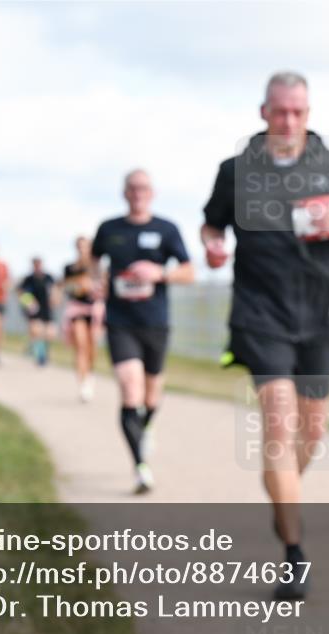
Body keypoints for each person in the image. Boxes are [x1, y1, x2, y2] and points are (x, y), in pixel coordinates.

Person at [202, 71, 329, 600]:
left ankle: (283, 498)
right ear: (263, 113)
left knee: (311, 434)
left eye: (298, 112)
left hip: (320, 316)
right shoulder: (236, 172)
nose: (289, 121)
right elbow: (211, 224)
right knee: (278, 424)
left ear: (309, 112)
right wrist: (212, 246)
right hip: (260, 314)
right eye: (280, 112)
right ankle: (294, 552)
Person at [92, 169, 194, 494]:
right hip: (120, 321)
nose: (138, 193)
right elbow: (94, 261)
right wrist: (97, 282)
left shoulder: (166, 229)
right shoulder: (109, 229)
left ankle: (144, 428)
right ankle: (140, 468)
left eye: (144, 188)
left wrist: (159, 273)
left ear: (152, 193)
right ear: (124, 192)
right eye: (132, 188)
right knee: (130, 387)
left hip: (155, 322)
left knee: (151, 396)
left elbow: (189, 271)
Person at [61, 237, 104, 401]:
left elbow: (104, 288)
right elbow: (66, 288)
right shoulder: (70, 268)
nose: (82, 250)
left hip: (94, 310)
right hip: (77, 309)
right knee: (80, 345)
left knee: (92, 347)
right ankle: (82, 383)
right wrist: (79, 286)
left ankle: (90, 374)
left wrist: (93, 287)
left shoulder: (97, 268)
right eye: (79, 247)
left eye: (85, 247)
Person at [17, 257, 57, 367]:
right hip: (34, 310)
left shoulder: (49, 278)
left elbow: (55, 290)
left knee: (50, 333)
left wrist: (55, 298)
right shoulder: (28, 279)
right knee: (37, 331)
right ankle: (41, 356)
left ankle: (37, 348)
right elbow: (20, 293)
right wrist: (28, 302)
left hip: (47, 309)